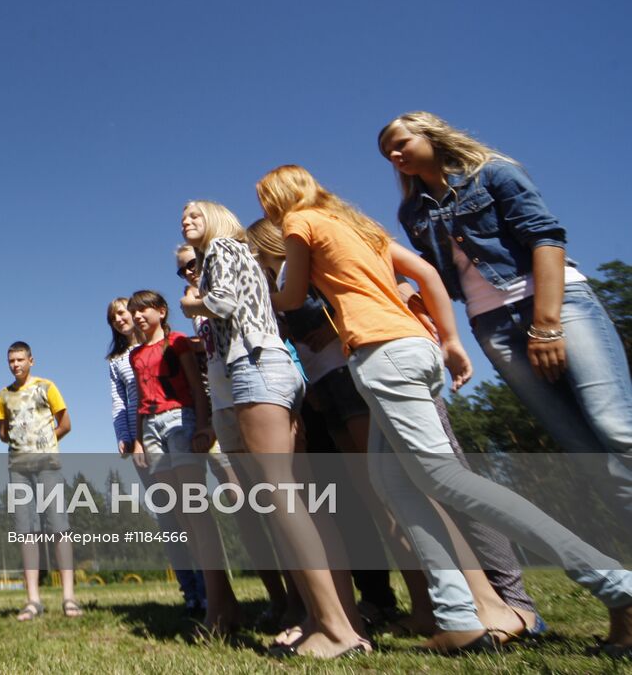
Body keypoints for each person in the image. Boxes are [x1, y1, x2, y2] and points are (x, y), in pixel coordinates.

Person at [257, 163, 632, 656]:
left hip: (381, 353)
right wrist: (451, 340)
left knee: (447, 479)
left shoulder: (298, 224)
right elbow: (426, 273)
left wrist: (255, 292)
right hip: (413, 346)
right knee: (394, 483)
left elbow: (291, 294)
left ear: (277, 199)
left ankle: (614, 583)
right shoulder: (357, 226)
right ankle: (457, 616)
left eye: (265, 200)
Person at [245, 218, 545, 638]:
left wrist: (326, 326)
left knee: (422, 485)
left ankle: (497, 601)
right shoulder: (284, 276)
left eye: (253, 248)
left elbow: (369, 293)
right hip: (328, 383)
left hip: (364, 370)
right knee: (381, 494)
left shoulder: (312, 261)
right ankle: (435, 604)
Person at [378, 111, 632, 520]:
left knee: (616, 428)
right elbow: (439, 272)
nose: (393, 154)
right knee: (583, 450)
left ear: (431, 134)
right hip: (492, 326)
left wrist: (546, 326)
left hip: (557, 304)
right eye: (387, 152)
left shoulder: (492, 173)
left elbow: (546, 239)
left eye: (400, 142)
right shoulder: (413, 213)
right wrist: (404, 288)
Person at [179, 201, 369, 659]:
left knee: (281, 498)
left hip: (255, 368)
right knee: (300, 500)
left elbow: (221, 303)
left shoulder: (223, 248)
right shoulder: (232, 256)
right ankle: (336, 619)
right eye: (181, 217)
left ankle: (335, 629)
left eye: (194, 213)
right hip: (262, 370)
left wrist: (192, 304)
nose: (185, 220)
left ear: (218, 217)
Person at [127, 290, 239, 634]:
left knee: (195, 510)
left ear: (161, 311)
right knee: (178, 513)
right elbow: (143, 401)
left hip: (181, 419)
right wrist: (138, 440)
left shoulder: (176, 343)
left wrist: (204, 425)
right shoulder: (135, 355)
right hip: (152, 431)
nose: (139, 316)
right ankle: (217, 598)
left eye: (145, 309)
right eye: (134, 311)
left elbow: (194, 386)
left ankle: (221, 603)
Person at [104, 297, 207, 614]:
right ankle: (189, 589)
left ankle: (208, 587)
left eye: (123, 312)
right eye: (114, 318)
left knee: (191, 508)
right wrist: (125, 436)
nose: (121, 319)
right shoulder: (117, 361)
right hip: (142, 437)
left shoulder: (167, 343)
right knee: (168, 515)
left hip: (177, 423)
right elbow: (119, 401)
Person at [0, 340, 79, 621]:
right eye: (11, 361)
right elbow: (2, 433)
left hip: (47, 465)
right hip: (18, 468)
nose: (16, 365)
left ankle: (69, 597)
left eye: (20, 359)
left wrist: (45, 441)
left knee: (58, 526)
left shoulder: (46, 387)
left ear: (31, 360)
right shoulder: (3, 396)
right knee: (25, 531)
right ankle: (33, 600)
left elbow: (65, 423)